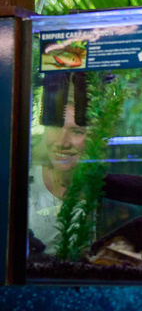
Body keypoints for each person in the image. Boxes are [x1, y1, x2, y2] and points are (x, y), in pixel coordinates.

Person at [28, 101, 87, 254]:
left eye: (76, 131)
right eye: (55, 127)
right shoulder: (23, 180)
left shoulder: (102, 191)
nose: (62, 142)